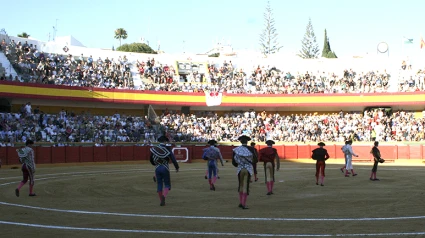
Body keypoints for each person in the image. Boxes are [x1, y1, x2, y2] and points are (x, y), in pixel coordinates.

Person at [150, 135, 179, 206]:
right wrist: (176, 167)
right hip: (165, 167)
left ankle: (161, 200)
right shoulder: (167, 149)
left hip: (157, 168)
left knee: (159, 184)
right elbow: (173, 158)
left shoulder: (155, 148)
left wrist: (155, 164)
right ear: (165, 141)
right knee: (167, 184)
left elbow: (151, 159)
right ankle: (164, 196)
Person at [232, 135, 257, 209]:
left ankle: (240, 202)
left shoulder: (236, 149)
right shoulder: (251, 149)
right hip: (248, 169)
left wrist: (239, 164)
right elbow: (256, 160)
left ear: (240, 141)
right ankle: (243, 203)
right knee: (246, 186)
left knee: (241, 185)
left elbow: (234, 162)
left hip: (240, 168)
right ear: (247, 141)